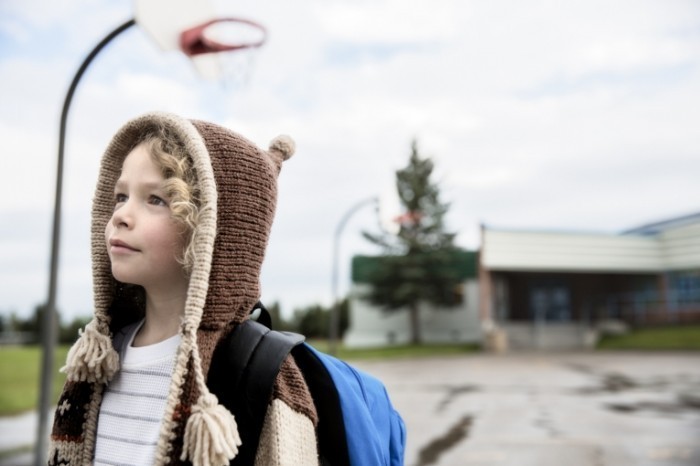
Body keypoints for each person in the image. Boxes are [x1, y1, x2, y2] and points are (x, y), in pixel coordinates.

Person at [48, 112, 319, 466]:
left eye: (155, 199)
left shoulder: (261, 374)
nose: (120, 216)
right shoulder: (97, 361)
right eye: (120, 196)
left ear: (217, 230)